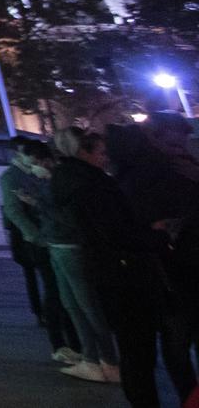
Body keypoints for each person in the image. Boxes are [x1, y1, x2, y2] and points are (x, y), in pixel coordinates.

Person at [52, 126, 162, 394]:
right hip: (117, 265)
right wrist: (153, 235)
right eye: (100, 152)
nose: (105, 157)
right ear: (81, 151)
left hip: (94, 258)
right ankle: (108, 361)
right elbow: (114, 229)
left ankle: (102, 360)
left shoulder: (75, 180)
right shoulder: (91, 184)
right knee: (94, 312)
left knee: (83, 308)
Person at [110, 117, 199, 401]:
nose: (184, 143)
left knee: (176, 345)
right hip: (172, 271)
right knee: (177, 343)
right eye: (179, 137)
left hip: (171, 269)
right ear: (161, 138)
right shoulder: (160, 172)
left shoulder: (141, 169)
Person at [0, 137, 83, 365]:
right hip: (39, 241)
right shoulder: (10, 177)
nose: (35, 161)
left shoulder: (46, 173)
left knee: (64, 292)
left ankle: (75, 341)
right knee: (54, 291)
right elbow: (14, 211)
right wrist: (35, 237)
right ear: (18, 155)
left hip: (56, 236)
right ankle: (60, 343)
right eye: (29, 156)